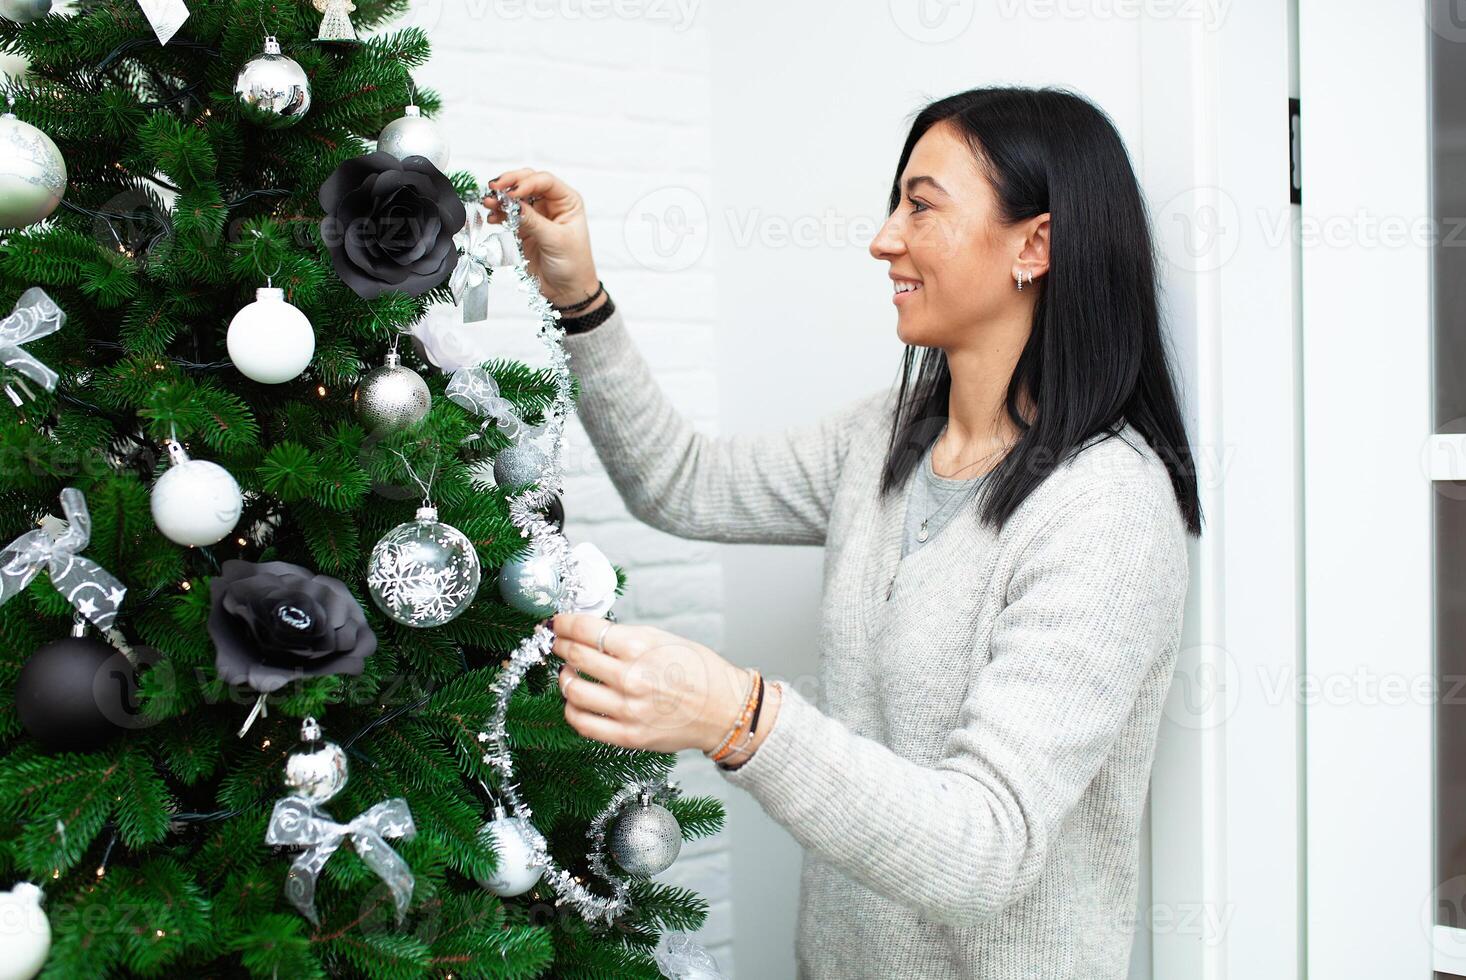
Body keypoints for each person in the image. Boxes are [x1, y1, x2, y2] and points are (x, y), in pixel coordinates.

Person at [485, 84, 1201, 979]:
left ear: (1035, 244)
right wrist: (578, 296)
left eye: (922, 206)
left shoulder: (1106, 510)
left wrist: (736, 716)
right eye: (895, 201)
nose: (885, 237)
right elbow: (681, 482)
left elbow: (988, 844)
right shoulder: (884, 440)